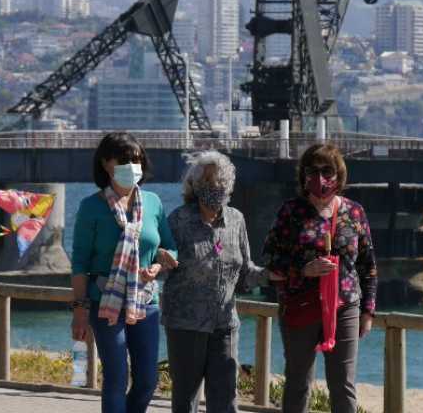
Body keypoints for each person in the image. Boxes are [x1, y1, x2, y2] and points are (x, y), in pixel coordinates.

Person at [262, 144, 378, 413]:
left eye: (327, 171)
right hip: (301, 303)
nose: (320, 178)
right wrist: (303, 268)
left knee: (343, 383)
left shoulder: (354, 212)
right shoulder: (291, 211)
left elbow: (368, 265)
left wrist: (368, 311)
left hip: (344, 305)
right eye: (312, 171)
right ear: (303, 176)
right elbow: (269, 257)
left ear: (339, 175)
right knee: (298, 381)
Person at [70, 132, 177, 413]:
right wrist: (80, 309)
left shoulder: (153, 203)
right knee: (116, 377)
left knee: (147, 380)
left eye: (138, 159)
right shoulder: (91, 207)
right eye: (126, 160)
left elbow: (169, 247)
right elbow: (80, 262)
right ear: (106, 163)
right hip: (106, 300)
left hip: (146, 301)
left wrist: (160, 263)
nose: (133, 166)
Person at [162, 150, 273, 413]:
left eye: (223, 181)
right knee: (185, 401)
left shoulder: (236, 220)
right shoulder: (178, 221)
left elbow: (246, 273)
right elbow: (160, 265)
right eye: (211, 182)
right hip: (185, 325)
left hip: (224, 325)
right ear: (196, 185)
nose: (217, 187)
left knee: (225, 401)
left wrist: (272, 274)